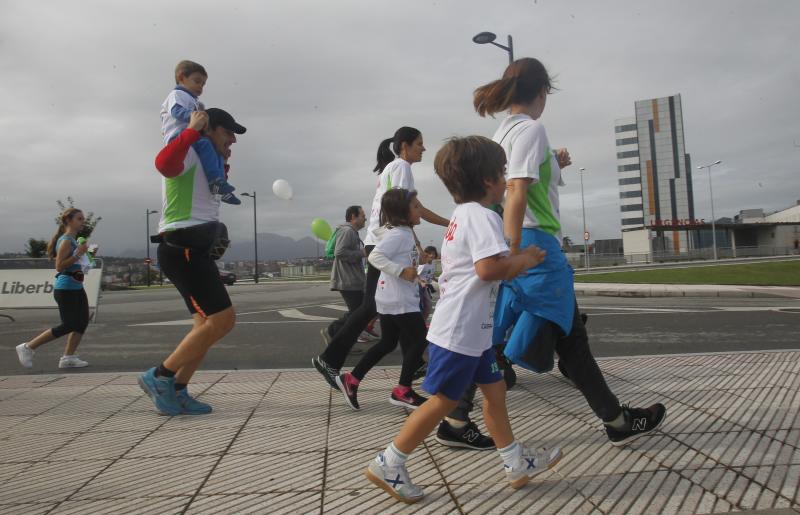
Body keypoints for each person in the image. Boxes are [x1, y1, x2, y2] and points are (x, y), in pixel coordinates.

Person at [474, 57, 667, 446]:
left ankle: (456, 416)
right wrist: (514, 251)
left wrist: (554, 163)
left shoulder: (501, 134)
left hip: (512, 240)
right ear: (543, 91)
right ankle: (617, 422)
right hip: (535, 245)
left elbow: (516, 189)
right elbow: (516, 190)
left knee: (488, 335)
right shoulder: (532, 129)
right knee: (572, 338)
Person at [365, 136, 561, 504]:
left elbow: (483, 267)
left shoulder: (464, 215)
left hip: (475, 330)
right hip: (460, 331)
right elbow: (488, 269)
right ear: (488, 180)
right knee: (441, 401)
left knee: (495, 393)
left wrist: (513, 261)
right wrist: (526, 260)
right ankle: (389, 462)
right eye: (503, 173)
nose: (507, 180)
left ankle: (515, 463)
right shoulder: (483, 216)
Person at [312, 127, 449, 390]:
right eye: (419, 143)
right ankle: (329, 359)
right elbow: (404, 209)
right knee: (372, 306)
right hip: (385, 241)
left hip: (382, 239)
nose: (424, 148)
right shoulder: (402, 168)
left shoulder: (393, 168)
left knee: (397, 306)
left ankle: (413, 364)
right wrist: (445, 226)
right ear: (404, 145)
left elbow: (408, 209)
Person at [137, 108, 244, 416]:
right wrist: (189, 133)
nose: (233, 139)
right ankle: (160, 377)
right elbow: (164, 164)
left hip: (192, 249)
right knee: (223, 321)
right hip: (183, 247)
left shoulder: (209, 161)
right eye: (227, 132)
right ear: (209, 129)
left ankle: (178, 389)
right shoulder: (192, 151)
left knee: (205, 326)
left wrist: (223, 162)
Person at [335, 189, 430, 410]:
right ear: (403, 212)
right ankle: (403, 390)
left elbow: (395, 257)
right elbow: (375, 256)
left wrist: (415, 268)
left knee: (388, 342)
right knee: (419, 339)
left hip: (389, 298)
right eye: (416, 206)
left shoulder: (402, 232)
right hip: (399, 300)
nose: (421, 210)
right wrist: (401, 271)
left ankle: (352, 380)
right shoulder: (400, 234)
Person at [15, 208, 94, 369]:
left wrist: (87, 255)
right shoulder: (65, 241)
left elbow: (77, 263)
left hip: (76, 287)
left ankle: (68, 358)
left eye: (83, 218)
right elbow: (59, 266)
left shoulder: (74, 240)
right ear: (69, 221)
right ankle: (28, 347)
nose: (83, 221)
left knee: (81, 323)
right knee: (69, 324)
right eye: (79, 218)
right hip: (66, 289)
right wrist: (78, 254)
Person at [160, 60, 239, 205]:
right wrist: (194, 118)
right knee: (206, 145)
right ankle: (215, 182)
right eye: (197, 81)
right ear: (181, 77)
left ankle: (220, 185)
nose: (200, 87)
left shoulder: (193, 100)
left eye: (203, 84)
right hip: (178, 135)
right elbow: (177, 111)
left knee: (215, 151)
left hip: (192, 135)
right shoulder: (177, 94)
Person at [323, 205, 367, 344]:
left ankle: (339, 340)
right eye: (362, 215)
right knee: (358, 313)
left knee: (358, 313)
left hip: (352, 280)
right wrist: (362, 253)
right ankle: (332, 332)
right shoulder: (347, 231)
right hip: (348, 281)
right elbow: (340, 252)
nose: (365, 218)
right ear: (353, 217)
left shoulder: (352, 232)